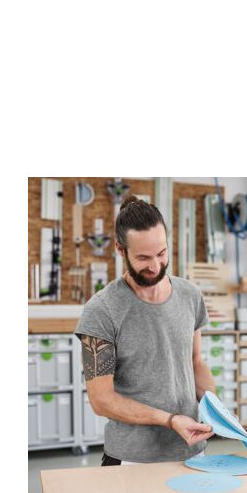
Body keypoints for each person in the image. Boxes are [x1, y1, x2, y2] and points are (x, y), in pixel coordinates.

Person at [74, 195, 216, 465]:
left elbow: (196, 361)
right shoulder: (102, 309)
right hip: (131, 459)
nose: (155, 266)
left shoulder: (190, 295)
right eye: (143, 257)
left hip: (192, 451)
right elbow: (101, 400)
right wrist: (170, 420)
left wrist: (215, 408)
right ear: (120, 250)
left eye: (161, 253)